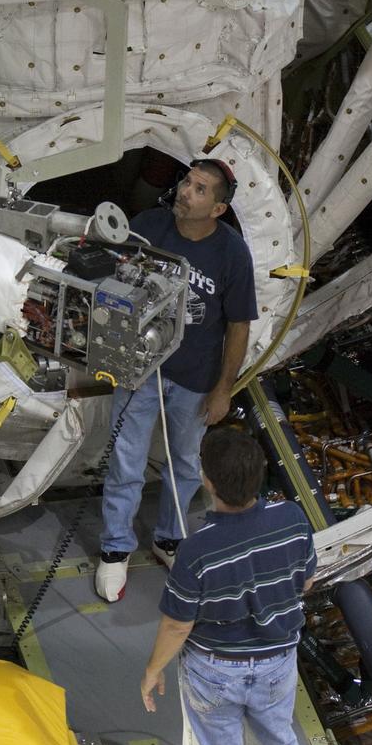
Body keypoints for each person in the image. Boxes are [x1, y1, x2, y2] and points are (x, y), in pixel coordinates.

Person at [95, 158, 258, 602]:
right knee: (126, 461)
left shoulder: (232, 254)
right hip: (140, 370)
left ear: (218, 209)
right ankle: (114, 549)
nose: (187, 192)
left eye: (201, 189)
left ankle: (169, 538)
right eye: (187, 182)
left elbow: (239, 325)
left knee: (185, 463)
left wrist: (224, 387)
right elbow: (112, 277)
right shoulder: (149, 227)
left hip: (196, 381)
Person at [139, 429, 316, 745]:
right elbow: (305, 582)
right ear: (260, 472)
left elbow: (178, 625)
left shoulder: (196, 550)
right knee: (280, 742)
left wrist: (153, 670)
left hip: (214, 670)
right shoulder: (293, 518)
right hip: (277, 663)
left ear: (207, 480)